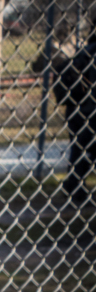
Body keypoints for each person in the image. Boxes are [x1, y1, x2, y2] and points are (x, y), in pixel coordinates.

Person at [54, 28, 96, 202]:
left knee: (79, 150)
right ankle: (75, 188)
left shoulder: (85, 50)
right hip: (90, 111)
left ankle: (74, 187)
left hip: (75, 109)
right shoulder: (92, 52)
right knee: (85, 151)